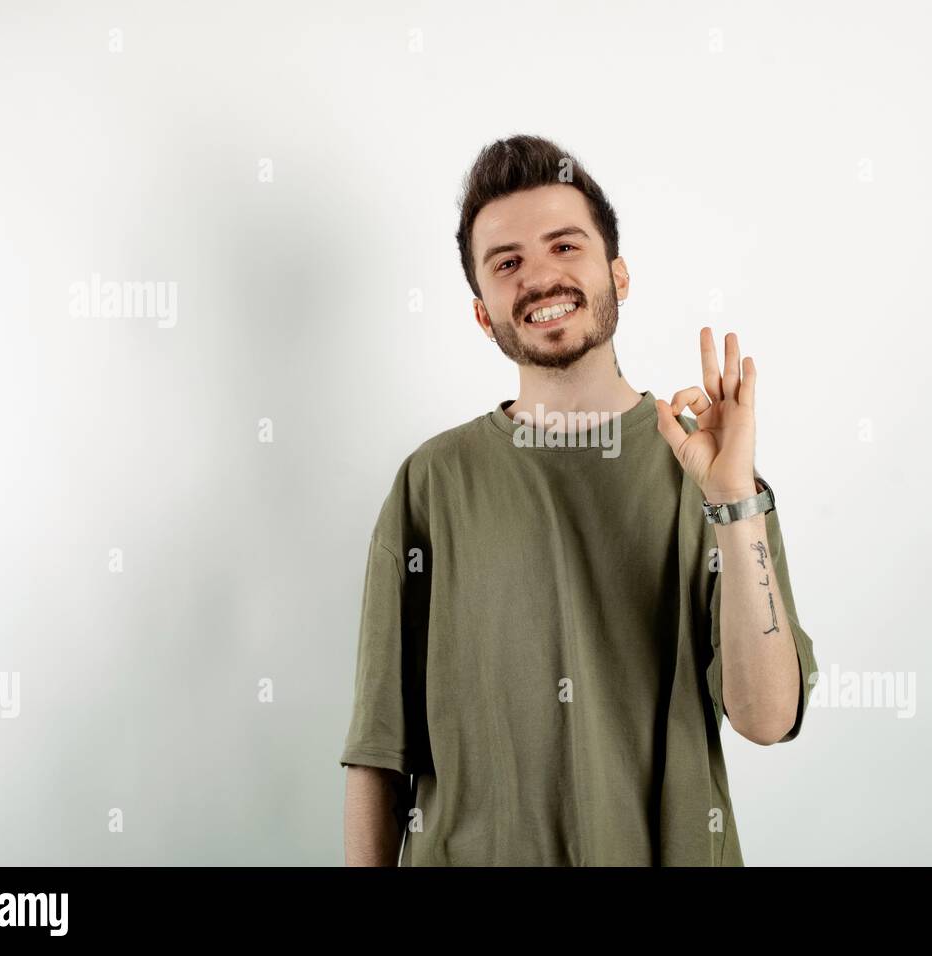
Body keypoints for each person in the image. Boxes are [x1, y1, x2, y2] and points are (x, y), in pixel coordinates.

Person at [340, 134, 818, 866]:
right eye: (508, 263)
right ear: (482, 313)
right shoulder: (430, 484)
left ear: (618, 275)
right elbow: (380, 753)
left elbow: (768, 716)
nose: (539, 277)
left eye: (565, 247)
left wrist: (734, 504)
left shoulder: (712, 475)